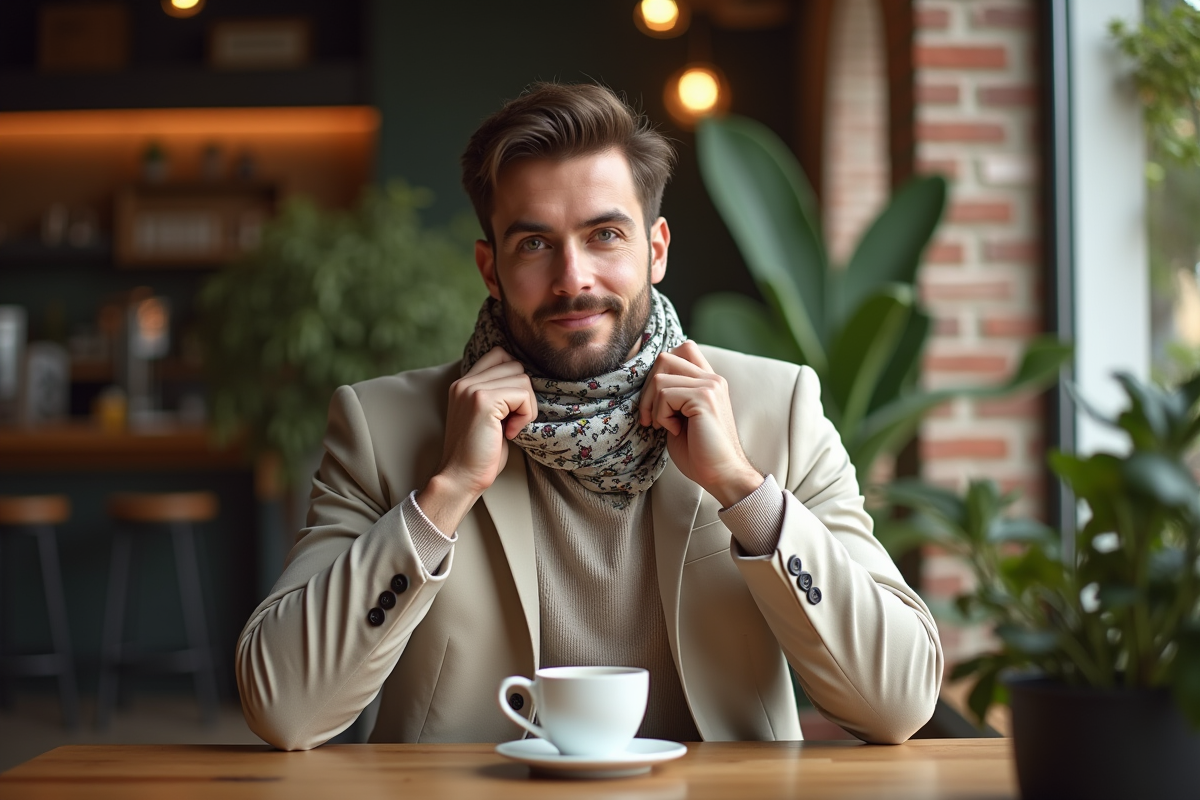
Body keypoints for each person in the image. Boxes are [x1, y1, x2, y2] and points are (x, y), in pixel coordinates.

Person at [235, 83, 943, 751]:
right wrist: (444, 495)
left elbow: (899, 702)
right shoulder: (382, 425)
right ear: (491, 269)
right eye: (535, 244)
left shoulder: (775, 408)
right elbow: (285, 711)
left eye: (604, 235)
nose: (573, 278)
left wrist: (742, 489)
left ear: (655, 250)